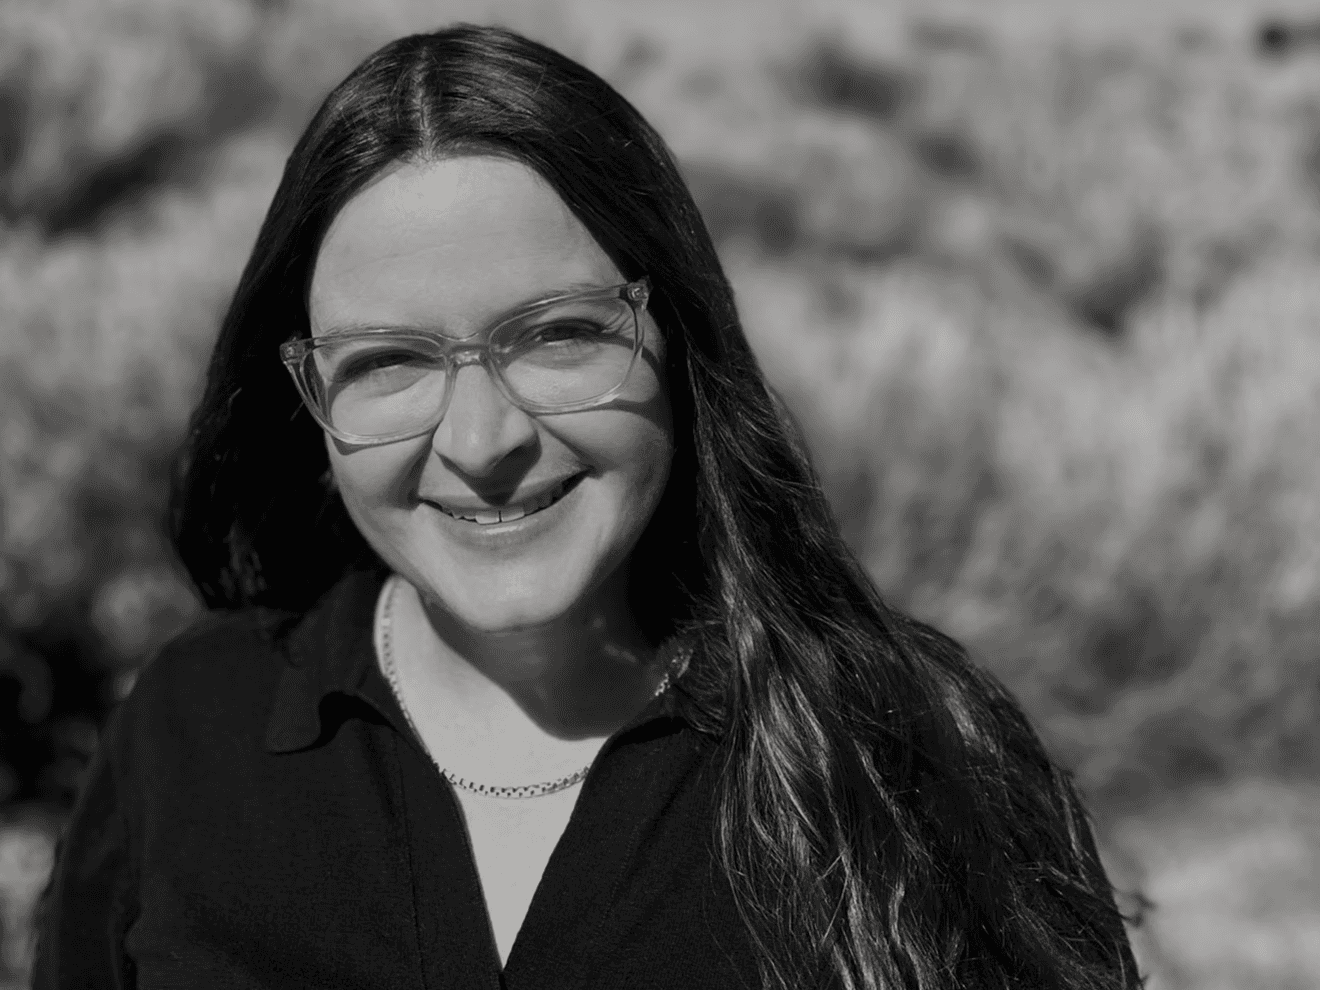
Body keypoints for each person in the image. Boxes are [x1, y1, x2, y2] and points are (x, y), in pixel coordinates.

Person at [32, 24, 1141, 990]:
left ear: (679, 346)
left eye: (559, 335)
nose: (481, 443)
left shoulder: (911, 756)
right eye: (387, 363)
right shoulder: (190, 730)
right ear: (308, 401)